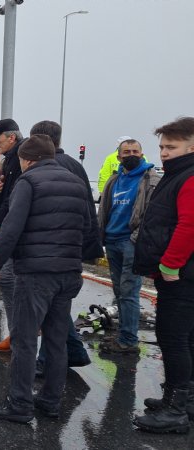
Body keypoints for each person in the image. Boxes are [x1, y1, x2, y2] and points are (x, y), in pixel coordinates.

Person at [0, 135, 89, 423]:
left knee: (25, 339)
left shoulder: (28, 182)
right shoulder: (77, 183)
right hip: (68, 272)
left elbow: (12, 226)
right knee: (56, 340)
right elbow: (90, 228)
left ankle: (19, 405)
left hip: (36, 274)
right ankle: (50, 402)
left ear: (27, 159)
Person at [133, 117, 194, 434]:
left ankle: (175, 410)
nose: (164, 152)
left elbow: (188, 225)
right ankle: (182, 399)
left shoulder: (189, 177)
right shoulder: (178, 175)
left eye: (171, 146)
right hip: (183, 274)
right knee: (186, 339)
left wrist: (170, 265)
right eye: (162, 146)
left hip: (180, 276)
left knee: (173, 340)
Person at [29, 120, 99, 372]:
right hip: (72, 248)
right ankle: (76, 351)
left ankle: (47, 361)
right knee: (58, 306)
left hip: (49, 250)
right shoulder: (75, 166)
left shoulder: (43, 168)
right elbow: (89, 210)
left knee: (49, 309)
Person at [97, 138, 159, 354]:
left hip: (131, 242)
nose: (131, 154)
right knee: (119, 291)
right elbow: (104, 210)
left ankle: (128, 340)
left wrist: (135, 238)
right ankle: (123, 334)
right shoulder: (114, 180)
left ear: (142, 154)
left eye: (135, 151)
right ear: (119, 156)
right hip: (112, 241)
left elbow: (151, 214)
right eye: (126, 151)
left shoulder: (150, 180)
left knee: (129, 292)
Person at [0, 118, 26, 353]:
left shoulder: (19, 159)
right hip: (9, 226)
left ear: (11, 137)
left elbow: (16, 199)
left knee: (8, 280)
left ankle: (19, 337)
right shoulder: (11, 160)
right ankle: (17, 335)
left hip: (13, 230)